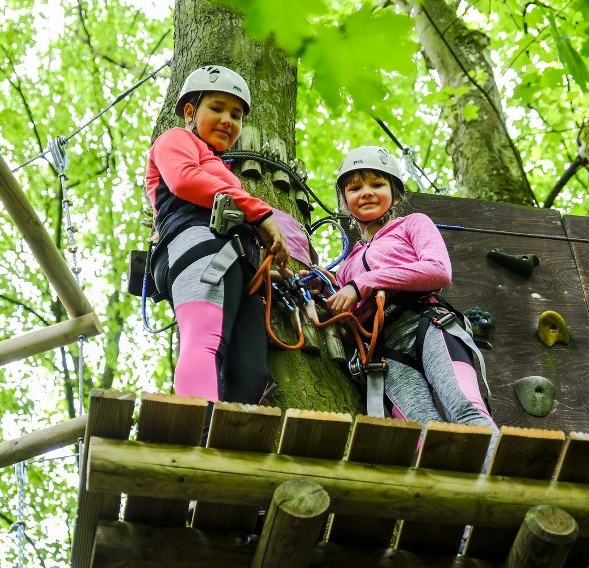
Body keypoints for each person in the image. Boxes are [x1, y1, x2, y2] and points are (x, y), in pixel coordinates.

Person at [326, 145, 498, 461]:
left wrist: (363, 282)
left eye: (377, 184)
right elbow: (340, 316)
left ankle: (504, 494)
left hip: (429, 324)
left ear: (394, 192)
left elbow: (438, 270)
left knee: (465, 408)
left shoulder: (412, 224)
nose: (366, 193)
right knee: (421, 435)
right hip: (384, 352)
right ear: (344, 200)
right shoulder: (345, 267)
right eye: (355, 187)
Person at [145, 64, 289, 407]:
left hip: (240, 265)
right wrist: (260, 212)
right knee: (205, 340)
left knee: (251, 369)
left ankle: (229, 438)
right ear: (191, 112)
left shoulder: (220, 167)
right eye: (218, 108)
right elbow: (183, 180)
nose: (228, 120)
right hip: (198, 248)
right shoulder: (176, 140)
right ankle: (198, 429)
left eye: (236, 115)